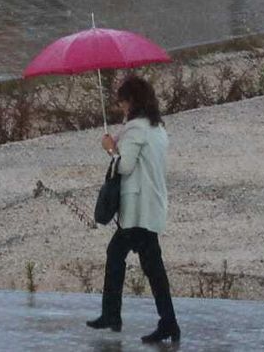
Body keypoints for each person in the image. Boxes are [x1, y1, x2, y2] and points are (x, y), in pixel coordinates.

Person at [87, 74, 179, 344]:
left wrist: (110, 149)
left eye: (123, 102)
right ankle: (166, 322)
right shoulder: (156, 128)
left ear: (132, 102)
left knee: (123, 256)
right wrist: (119, 144)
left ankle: (115, 315)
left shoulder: (136, 129)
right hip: (151, 207)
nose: (121, 107)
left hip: (138, 210)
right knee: (149, 266)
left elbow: (124, 166)